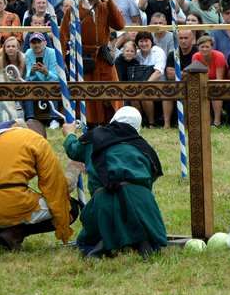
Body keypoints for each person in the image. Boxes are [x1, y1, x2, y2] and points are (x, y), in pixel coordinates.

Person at [62, 106, 167, 258]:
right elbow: (151, 178)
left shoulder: (94, 137)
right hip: (142, 203)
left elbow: (73, 149)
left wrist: (70, 134)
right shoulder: (145, 148)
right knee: (148, 236)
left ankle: (105, 243)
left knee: (87, 241)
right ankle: (139, 241)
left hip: (105, 200)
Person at [0, 119, 77, 251]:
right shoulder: (36, 141)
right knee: (70, 208)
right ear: (39, 135)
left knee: (8, 195)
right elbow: (59, 189)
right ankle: (12, 233)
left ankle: (6, 229)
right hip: (8, 204)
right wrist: (74, 167)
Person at [64, 0, 125, 127]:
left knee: (110, 93)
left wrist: (109, 1)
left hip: (103, 58)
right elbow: (63, 33)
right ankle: (89, 125)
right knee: (87, 96)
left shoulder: (105, 7)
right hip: (83, 58)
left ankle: (111, 124)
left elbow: (120, 25)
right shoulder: (74, 9)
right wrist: (68, 57)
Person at [21, 34, 61, 134]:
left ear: (45, 43)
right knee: (27, 87)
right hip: (35, 85)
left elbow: (56, 77)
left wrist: (46, 72)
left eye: (39, 42)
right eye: (33, 42)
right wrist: (32, 72)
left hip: (51, 83)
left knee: (52, 86)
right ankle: (30, 118)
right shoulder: (28, 53)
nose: (36, 45)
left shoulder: (52, 53)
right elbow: (28, 78)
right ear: (30, 44)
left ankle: (54, 119)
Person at [133, 31, 169, 127]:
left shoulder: (158, 51)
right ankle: (139, 123)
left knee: (145, 93)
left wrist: (145, 85)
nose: (144, 44)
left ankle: (151, 123)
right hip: (141, 85)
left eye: (146, 41)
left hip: (159, 85)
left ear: (151, 41)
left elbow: (158, 72)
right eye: (141, 41)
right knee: (132, 95)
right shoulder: (136, 54)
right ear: (137, 43)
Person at [190, 33, 226, 127]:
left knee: (215, 91)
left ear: (212, 47)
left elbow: (219, 79)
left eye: (207, 46)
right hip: (204, 82)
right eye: (202, 47)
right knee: (198, 91)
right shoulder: (196, 57)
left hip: (220, 83)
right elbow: (196, 77)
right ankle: (206, 120)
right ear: (198, 47)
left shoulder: (219, 56)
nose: (204, 49)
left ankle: (217, 121)